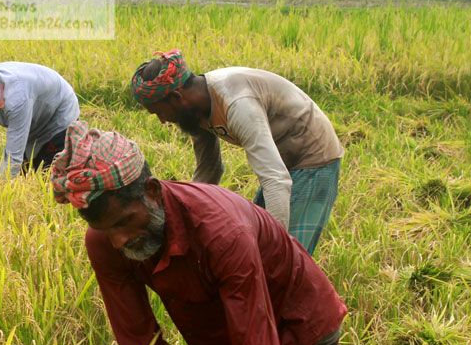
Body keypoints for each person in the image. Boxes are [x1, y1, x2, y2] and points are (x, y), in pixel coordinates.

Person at [50, 121, 347, 345]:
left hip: (299, 321)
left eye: (124, 222)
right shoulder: (105, 243)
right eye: (107, 230)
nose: (120, 241)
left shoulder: (221, 233)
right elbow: (138, 341)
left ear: (152, 191)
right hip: (240, 329)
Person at [129, 50, 342, 254]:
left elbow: (276, 180)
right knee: (256, 243)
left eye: (159, 111)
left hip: (313, 157)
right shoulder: (194, 112)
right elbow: (209, 172)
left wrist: (275, 251)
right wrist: (185, 219)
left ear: (176, 96)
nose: (162, 120)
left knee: (289, 258)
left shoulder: (237, 104)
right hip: (282, 163)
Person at [0, 56, 80, 177]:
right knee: (21, 176)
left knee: (48, 178)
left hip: (58, 115)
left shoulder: (16, 96)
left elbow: (13, 155)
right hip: (32, 122)